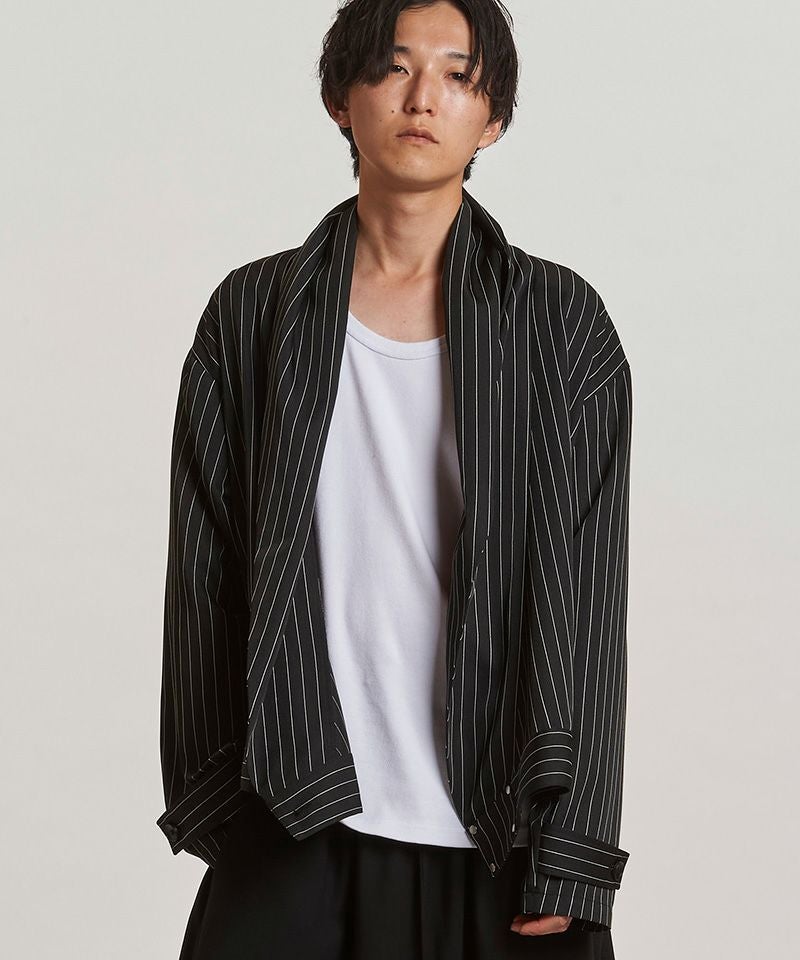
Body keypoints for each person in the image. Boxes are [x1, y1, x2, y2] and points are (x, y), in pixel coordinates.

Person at [156, 2, 632, 958]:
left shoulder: (560, 324)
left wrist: (574, 851)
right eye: (392, 67)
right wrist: (215, 800)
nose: (423, 98)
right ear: (341, 98)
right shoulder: (253, 313)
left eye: (458, 75)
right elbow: (204, 572)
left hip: (497, 822)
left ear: (492, 119)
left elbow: (589, 600)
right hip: (297, 800)